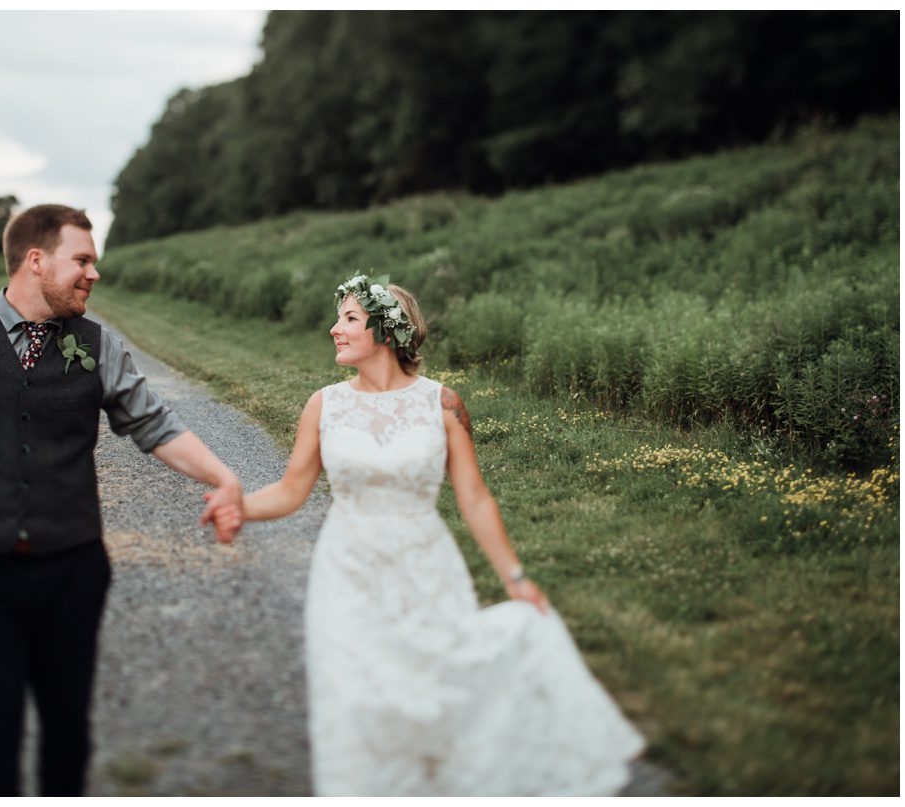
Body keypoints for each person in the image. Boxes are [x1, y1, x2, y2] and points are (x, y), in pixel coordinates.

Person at [210, 273, 645, 795]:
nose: (334, 329)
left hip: (425, 569)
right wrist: (239, 508)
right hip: (347, 573)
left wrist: (515, 577)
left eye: (349, 318)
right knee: (356, 702)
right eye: (338, 319)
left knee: (436, 696)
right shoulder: (323, 405)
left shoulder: (443, 404)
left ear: (386, 330)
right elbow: (290, 490)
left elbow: (474, 498)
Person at [0, 204, 242, 796]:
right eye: (82, 260)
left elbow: (154, 424)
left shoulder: (98, 345)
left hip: (73, 570)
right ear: (36, 260)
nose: (93, 273)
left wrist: (224, 477)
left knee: (68, 731)